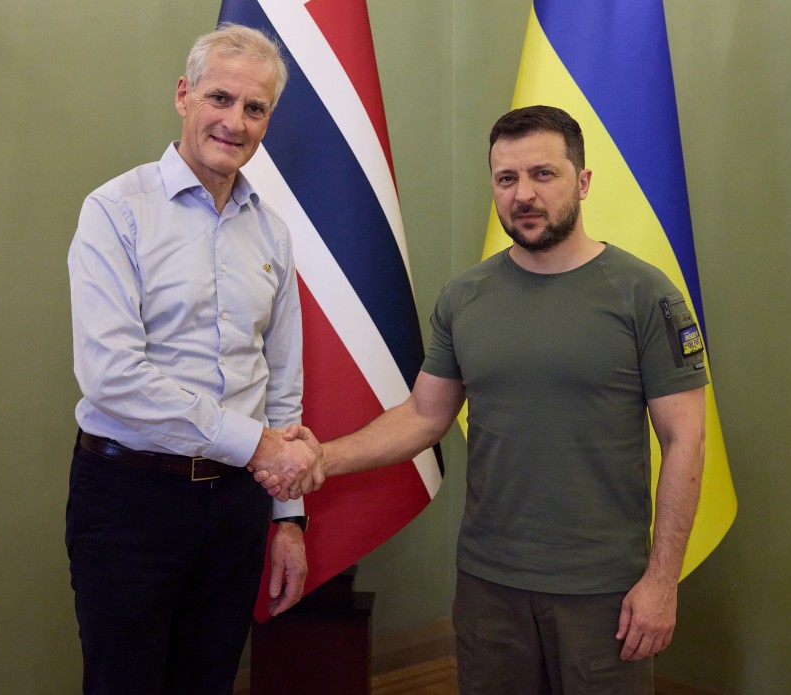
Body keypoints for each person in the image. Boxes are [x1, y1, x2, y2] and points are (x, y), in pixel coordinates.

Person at [261, 105, 708, 694]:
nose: (523, 194)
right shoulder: (464, 297)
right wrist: (324, 459)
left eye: (543, 174)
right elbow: (424, 416)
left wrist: (662, 581)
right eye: (506, 179)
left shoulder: (645, 294)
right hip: (488, 585)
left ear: (584, 181)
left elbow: (685, 440)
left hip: (605, 591)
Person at [66, 23, 323, 695]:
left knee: (209, 680)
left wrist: (288, 517)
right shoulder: (114, 213)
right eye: (220, 98)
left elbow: (282, 381)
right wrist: (258, 444)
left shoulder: (272, 230)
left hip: (237, 506)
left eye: (255, 107)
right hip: (129, 500)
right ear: (184, 96)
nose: (234, 122)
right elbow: (112, 377)